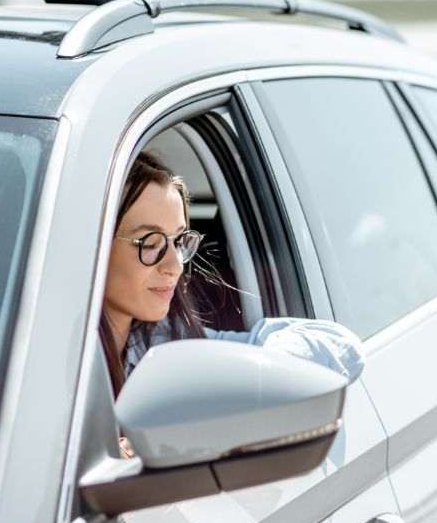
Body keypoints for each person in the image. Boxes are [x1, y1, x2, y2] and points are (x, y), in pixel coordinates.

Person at [102, 151, 363, 455]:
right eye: (151, 242)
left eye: (179, 241)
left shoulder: (165, 341)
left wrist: (260, 385)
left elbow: (339, 344)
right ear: (94, 243)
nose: (174, 265)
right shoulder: (48, 369)